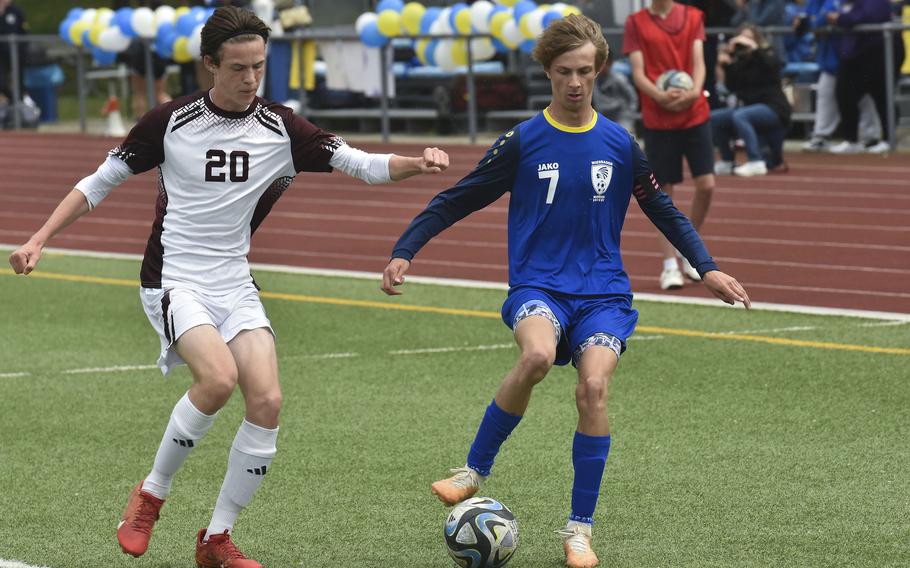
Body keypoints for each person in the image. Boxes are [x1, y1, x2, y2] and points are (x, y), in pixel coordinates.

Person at [8, 6, 448, 568]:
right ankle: (150, 496)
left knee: (266, 399)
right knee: (217, 379)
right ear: (210, 65)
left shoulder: (282, 128)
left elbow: (360, 164)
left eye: (258, 67)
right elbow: (97, 184)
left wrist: (418, 160)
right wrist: (39, 238)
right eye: (237, 68)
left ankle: (216, 540)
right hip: (173, 278)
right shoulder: (169, 123)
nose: (249, 80)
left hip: (233, 280)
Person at [381, 15, 751, 568]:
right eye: (562, 72)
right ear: (547, 73)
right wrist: (406, 249)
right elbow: (458, 197)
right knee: (535, 354)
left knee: (593, 390)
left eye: (584, 71)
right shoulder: (524, 140)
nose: (574, 83)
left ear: (599, 68)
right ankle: (472, 471)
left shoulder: (621, 144)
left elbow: (664, 210)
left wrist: (707, 268)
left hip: (603, 294)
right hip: (539, 286)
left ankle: (578, 532)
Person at [624, 0, 716, 290]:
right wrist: (658, 96)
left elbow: (699, 62)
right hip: (659, 117)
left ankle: (686, 249)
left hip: (694, 112)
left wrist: (694, 93)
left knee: (707, 185)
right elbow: (638, 72)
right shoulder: (636, 22)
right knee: (662, 193)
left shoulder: (692, 16)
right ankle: (668, 266)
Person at [797, 0, 886, 152]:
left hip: (857, 54)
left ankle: (870, 137)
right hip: (834, 56)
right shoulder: (820, 2)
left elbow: (848, 18)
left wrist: (828, 20)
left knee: (864, 98)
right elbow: (812, 21)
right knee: (827, 94)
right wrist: (809, 22)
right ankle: (822, 136)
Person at [711, 24, 791, 176]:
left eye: (748, 38)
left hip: (774, 108)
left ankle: (755, 161)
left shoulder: (766, 54)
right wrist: (725, 66)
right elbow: (732, 88)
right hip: (749, 108)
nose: (744, 43)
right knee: (715, 118)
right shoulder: (740, 62)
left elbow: (774, 65)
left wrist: (755, 48)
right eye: (741, 39)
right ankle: (727, 161)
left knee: (740, 115)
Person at [826, 0, 904, 153]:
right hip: (856, 53)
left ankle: (889, 139)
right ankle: (851, 139)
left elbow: (867, 16)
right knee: (845, 94)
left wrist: (840, 18)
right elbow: (827, 15)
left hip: (879, 51)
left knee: (882, 95)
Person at [592, 52, 638, 133]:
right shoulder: (592, 80)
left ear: (610, 64)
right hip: (602, 116)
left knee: (622, 136)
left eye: (604, 64)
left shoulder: (619, 78)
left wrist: (630, 114)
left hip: (621, 116)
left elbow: (632, 97)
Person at [0, 0, 27, 104]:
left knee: (18, 83)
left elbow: (24, 32)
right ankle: (11, 102)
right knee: (1, 82)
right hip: (1, 55)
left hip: (16, 54)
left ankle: (17, 108)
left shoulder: (16, 10)